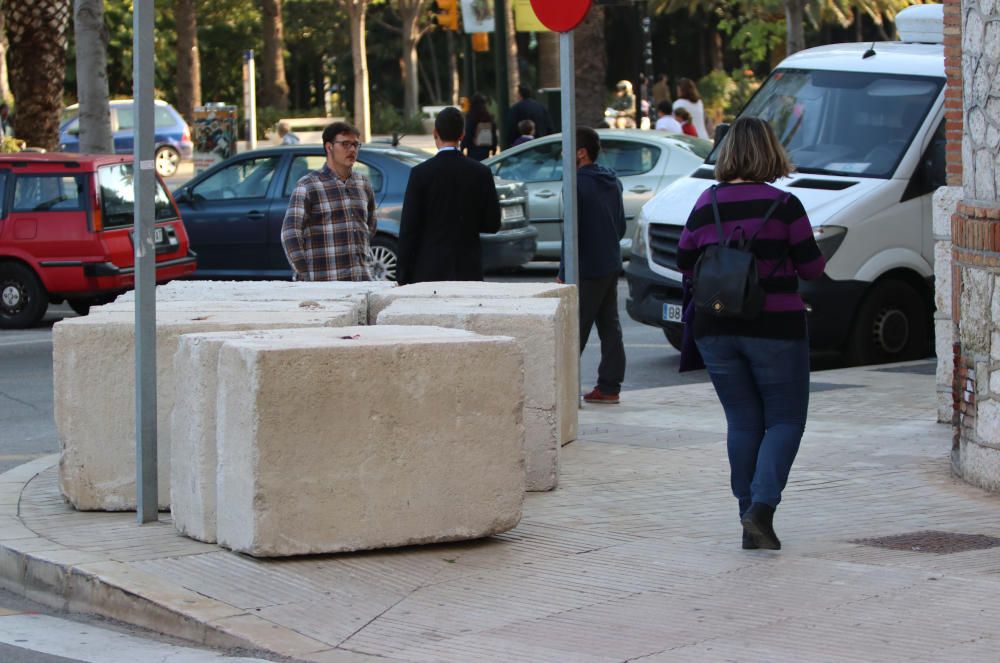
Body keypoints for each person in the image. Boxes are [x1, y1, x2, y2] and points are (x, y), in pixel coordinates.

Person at [675, 117, 826, 550]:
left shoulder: (707, 202)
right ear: (769, 152)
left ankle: (747, 515)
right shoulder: (786, 205)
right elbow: (813, 267)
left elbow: (687, 259)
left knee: (742, 420)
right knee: (785, 419)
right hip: (776, 327)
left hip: (715, 326)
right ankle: (761, 510)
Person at [559, 127, 627, 405]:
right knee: (610, 327)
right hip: (610, 261)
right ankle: (610, 386)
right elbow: (621, 225)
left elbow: (571, 233)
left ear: (581, 152)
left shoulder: (575, 184)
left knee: (575, 330)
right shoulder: (611, 180)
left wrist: (564, 271)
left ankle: (562, 391)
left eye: (567, 149)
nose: (562, 155)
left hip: (586, 267)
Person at [397, 107, 501, 285]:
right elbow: (492, 224)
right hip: (468, 268)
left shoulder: (420, 173)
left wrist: (403, 275)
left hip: (429, 270)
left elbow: (409, 229)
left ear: (435, 133)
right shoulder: (481, 173)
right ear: (462, 135)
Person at [281, 121, 377, 281]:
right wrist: (304, 274)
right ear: (329, 147)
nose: (352, 149)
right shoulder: (308, 185)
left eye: (355, 144)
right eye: (345, 144)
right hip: (324, 284)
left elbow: (370, 225)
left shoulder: (363, 183)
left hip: (360, 281)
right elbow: (290, 233)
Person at [505, 84, 553, 148]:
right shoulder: (541, 108)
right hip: (541, 147)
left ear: (519, 94)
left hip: (521, 149)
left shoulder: (515, 109)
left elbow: (510, 130)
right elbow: (549, 128)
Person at [461, 93, 498, 161]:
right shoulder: (488, 117)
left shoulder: (471, 116)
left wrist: (463, 146)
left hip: (473, 148)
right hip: (485, 148)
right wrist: (493, 148)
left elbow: (468, 133)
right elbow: (493, 134)